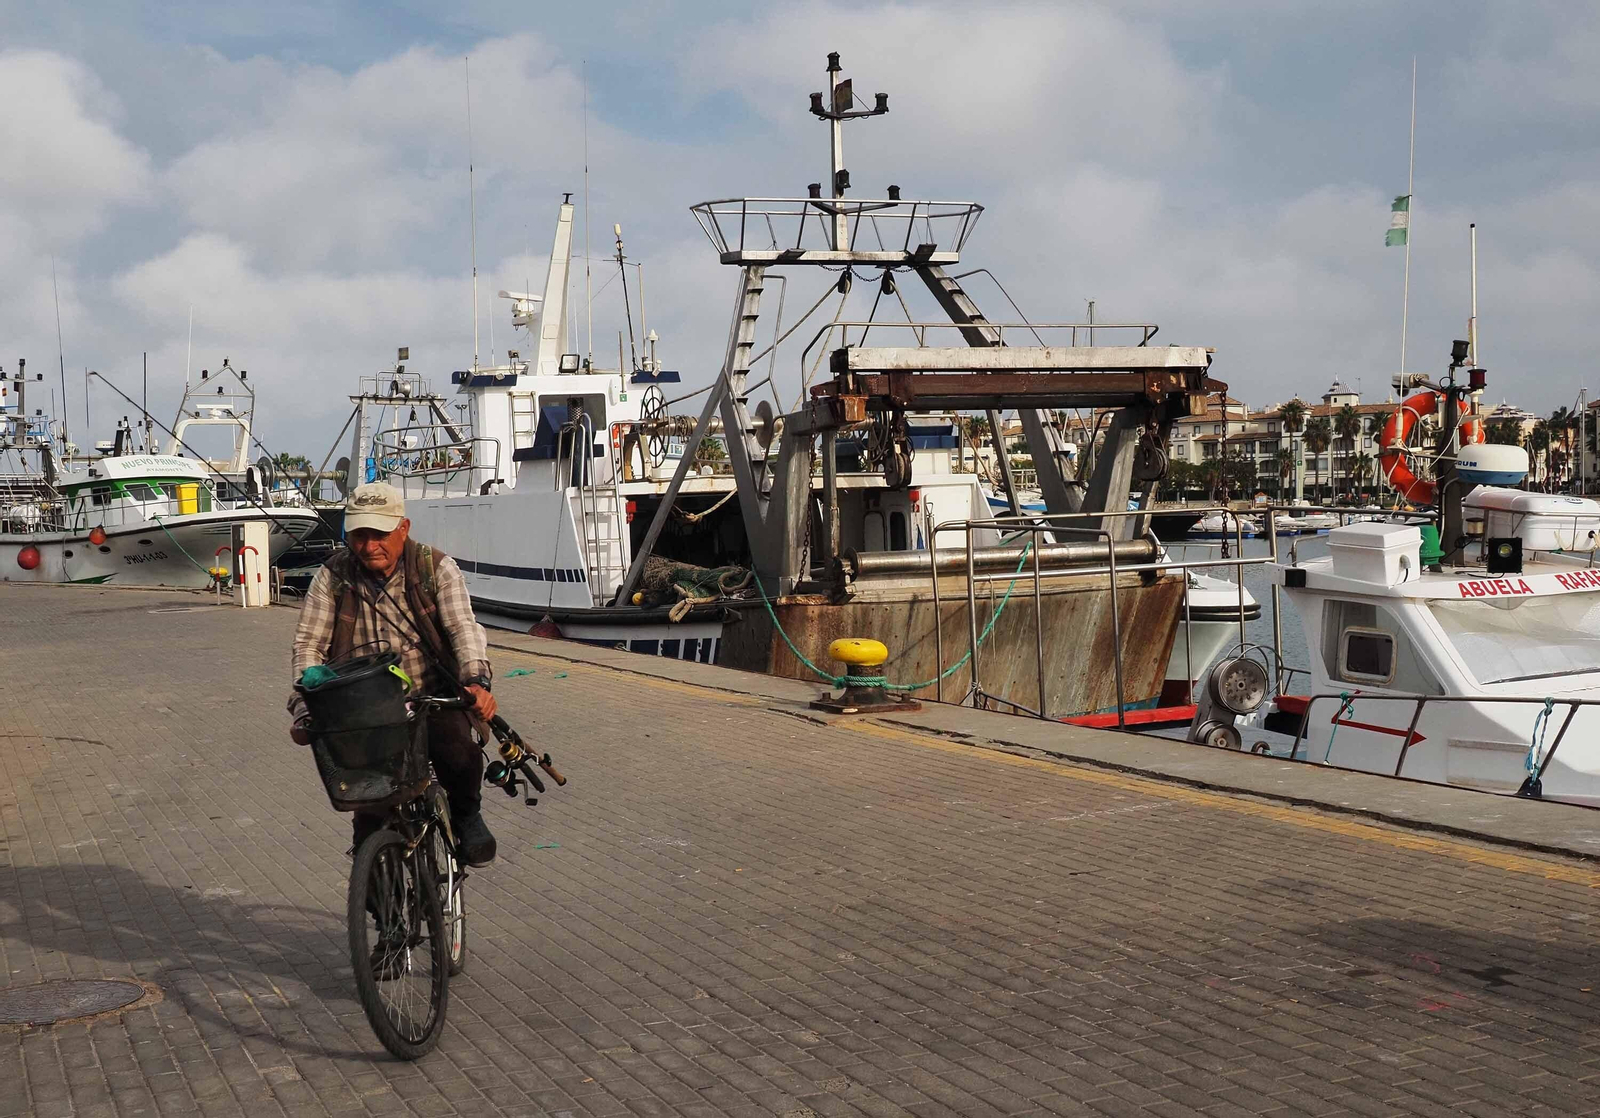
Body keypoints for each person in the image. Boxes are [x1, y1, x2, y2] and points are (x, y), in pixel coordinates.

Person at [288, 481, 499, 866]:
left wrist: (476, 682)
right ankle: (375, 885)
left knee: (458, 752)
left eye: (379, 534)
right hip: (363, 707)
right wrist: (305, 706)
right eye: (359, 535)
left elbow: (464, 629)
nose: (369, 547)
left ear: (403, 528)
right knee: (369, 809)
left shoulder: (435, 568)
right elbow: (309, 647)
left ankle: (468, 816)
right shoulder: (333, 576)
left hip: (433, 695)